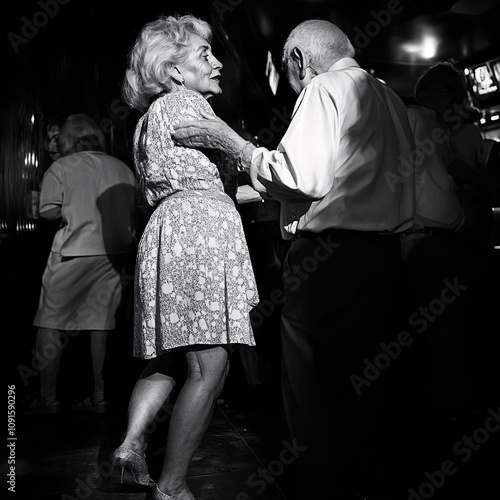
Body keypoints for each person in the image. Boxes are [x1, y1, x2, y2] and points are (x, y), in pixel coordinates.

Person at [173, 18, 415, 500]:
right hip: (383, 256)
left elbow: (302, 175)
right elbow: (345, 181)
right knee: (362, 385)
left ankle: (321, 488)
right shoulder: (387, 94)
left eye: (286, 73)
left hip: (332, 260)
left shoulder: (324, 87)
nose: (289, 87)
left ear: (300, 61)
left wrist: (234, 144)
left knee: (313, 389)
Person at [111, 14, 258, 500]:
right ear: (174, 71)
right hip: (198, 233)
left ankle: (132, 444)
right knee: (210, 367)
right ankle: (172, 488)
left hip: (169, 229)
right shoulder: (186, 102)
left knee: (171, 360)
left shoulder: (146, 121)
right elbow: (222, 155)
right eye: (204, 56)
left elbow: (193, 177)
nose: (217, 64)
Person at [23, 113, 141, 415]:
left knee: (50, 322)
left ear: (66, 140)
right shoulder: (122, 167)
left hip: (72, 252)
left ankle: (48, 399)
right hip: (113, 255)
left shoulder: (61, 167)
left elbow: (47, 212)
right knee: (100, 324)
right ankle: (100, 396)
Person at [403, 62, 499, 423]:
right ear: (431, 94)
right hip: (432, 242)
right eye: (452, 92)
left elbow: (457, 172)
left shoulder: (439, 126)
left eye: (460, 93)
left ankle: (445, 397)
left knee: (449, 327)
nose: (459, 99)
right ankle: (450, 402)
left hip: (444, 241)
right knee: (448, 327)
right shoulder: (419, 119)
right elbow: (456, 174)